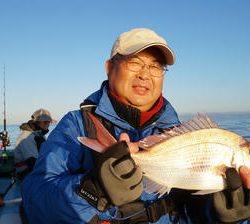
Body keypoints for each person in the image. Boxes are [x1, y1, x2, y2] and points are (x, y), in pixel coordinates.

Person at [21, 28, 250, 224]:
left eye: (155, 66)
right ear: (109, 67)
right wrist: (92, 191)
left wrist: (221, 213)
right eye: (135, 62)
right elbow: (34, 201)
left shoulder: (175, 133)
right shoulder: (75, 125)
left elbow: (190, 207)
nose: (144, 75)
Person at [14, 108, 55, 181]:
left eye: (49, 122)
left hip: (35, 168)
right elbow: (33, 162)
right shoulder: (26, 137)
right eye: (45, 122)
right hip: (25, 173)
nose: (48, 124)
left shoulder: (39, 135)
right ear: (36, 122)